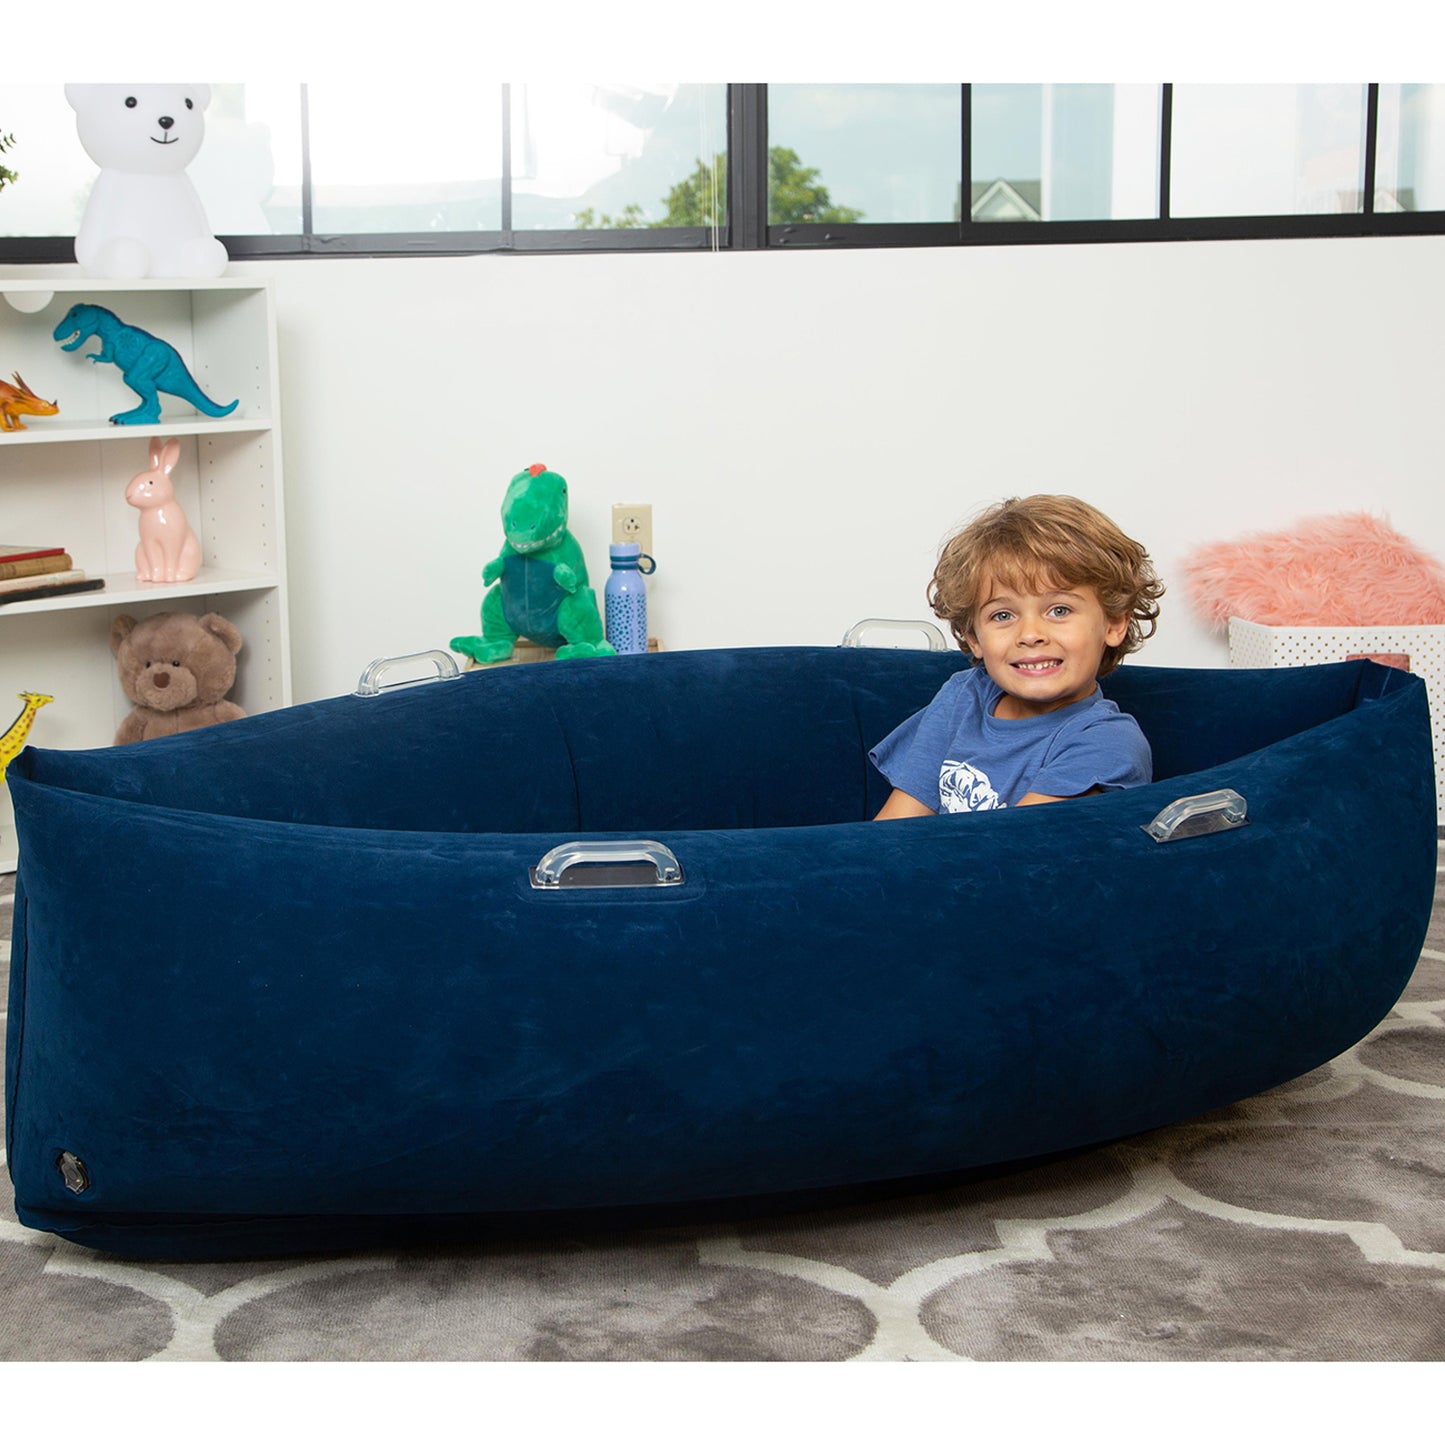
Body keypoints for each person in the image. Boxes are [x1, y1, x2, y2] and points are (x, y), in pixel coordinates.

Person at [872, 494, 1164, 818]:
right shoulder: (963, 696)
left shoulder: (1108, 741)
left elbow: (1012, 844)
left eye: (1059, 610)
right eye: (1002, 615)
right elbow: (893, 829)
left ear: (1114, 623)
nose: (1030, 634)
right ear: (974, 637)